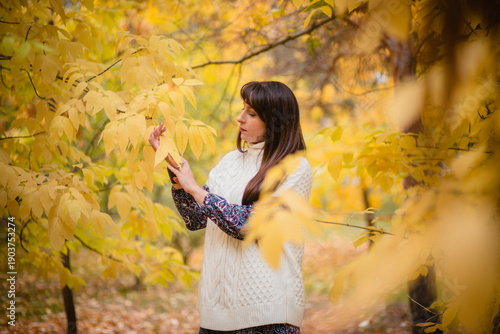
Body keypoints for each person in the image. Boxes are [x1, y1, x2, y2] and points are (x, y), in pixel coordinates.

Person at [149, 81, 312, 333]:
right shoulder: (230, 162)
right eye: (242, 109)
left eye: (252, 113)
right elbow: (196, 218)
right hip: (216, 316)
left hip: (268, 316)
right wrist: (178, 176)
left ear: (275, 121)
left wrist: (195, 189)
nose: (240, 118)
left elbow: (249, 225)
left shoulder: (295, 168)